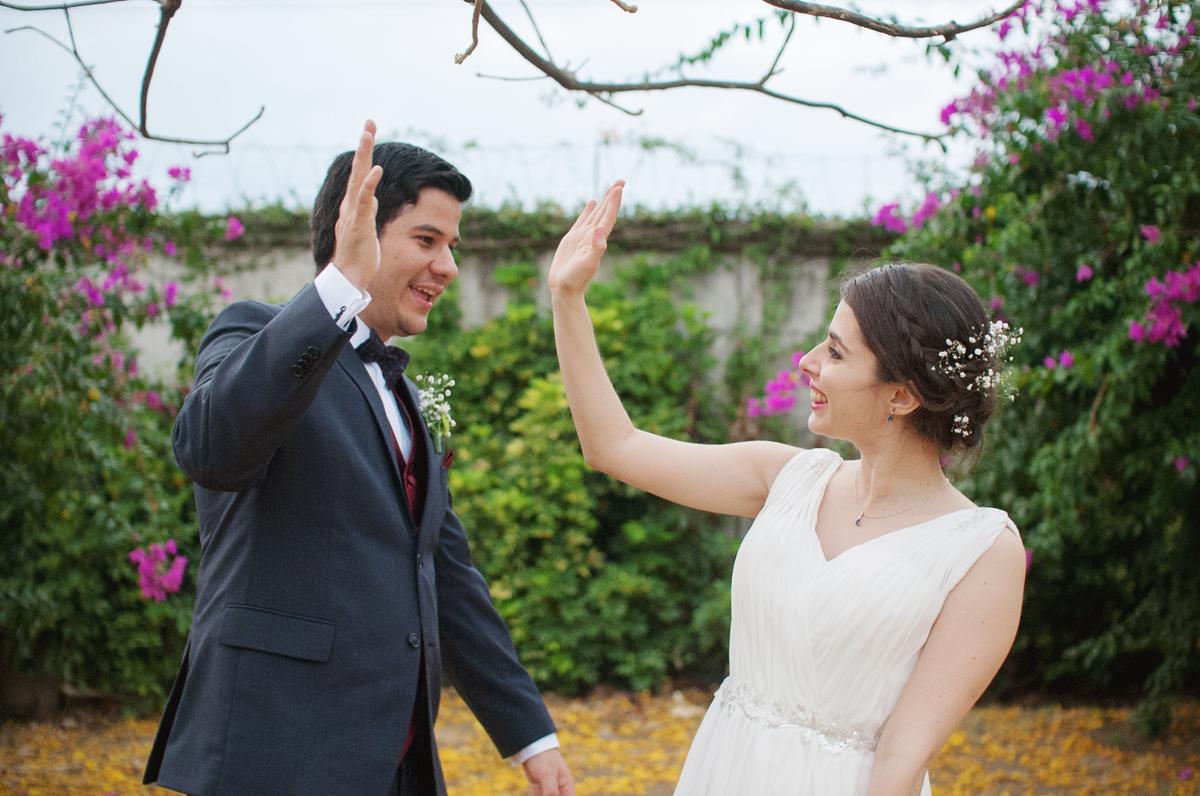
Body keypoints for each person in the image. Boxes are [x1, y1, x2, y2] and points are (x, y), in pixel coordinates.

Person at [548, 181, 1026, 795]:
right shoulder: (786, 477)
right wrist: (567, 297)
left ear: (901, 396)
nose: (806, 362)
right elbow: (614, 447)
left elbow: (902, 759)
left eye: (834, 352)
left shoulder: (981, 549)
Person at [143, 120, 574, 796]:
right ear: (358, 229)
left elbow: (446, 573)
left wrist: (529, 735)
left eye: (452, 245)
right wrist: (340, 287)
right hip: (273, 756)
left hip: (394, 765)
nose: (449, 267)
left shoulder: (408, 395)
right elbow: (209, 448)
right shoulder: (253, 334)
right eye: (427, 240)